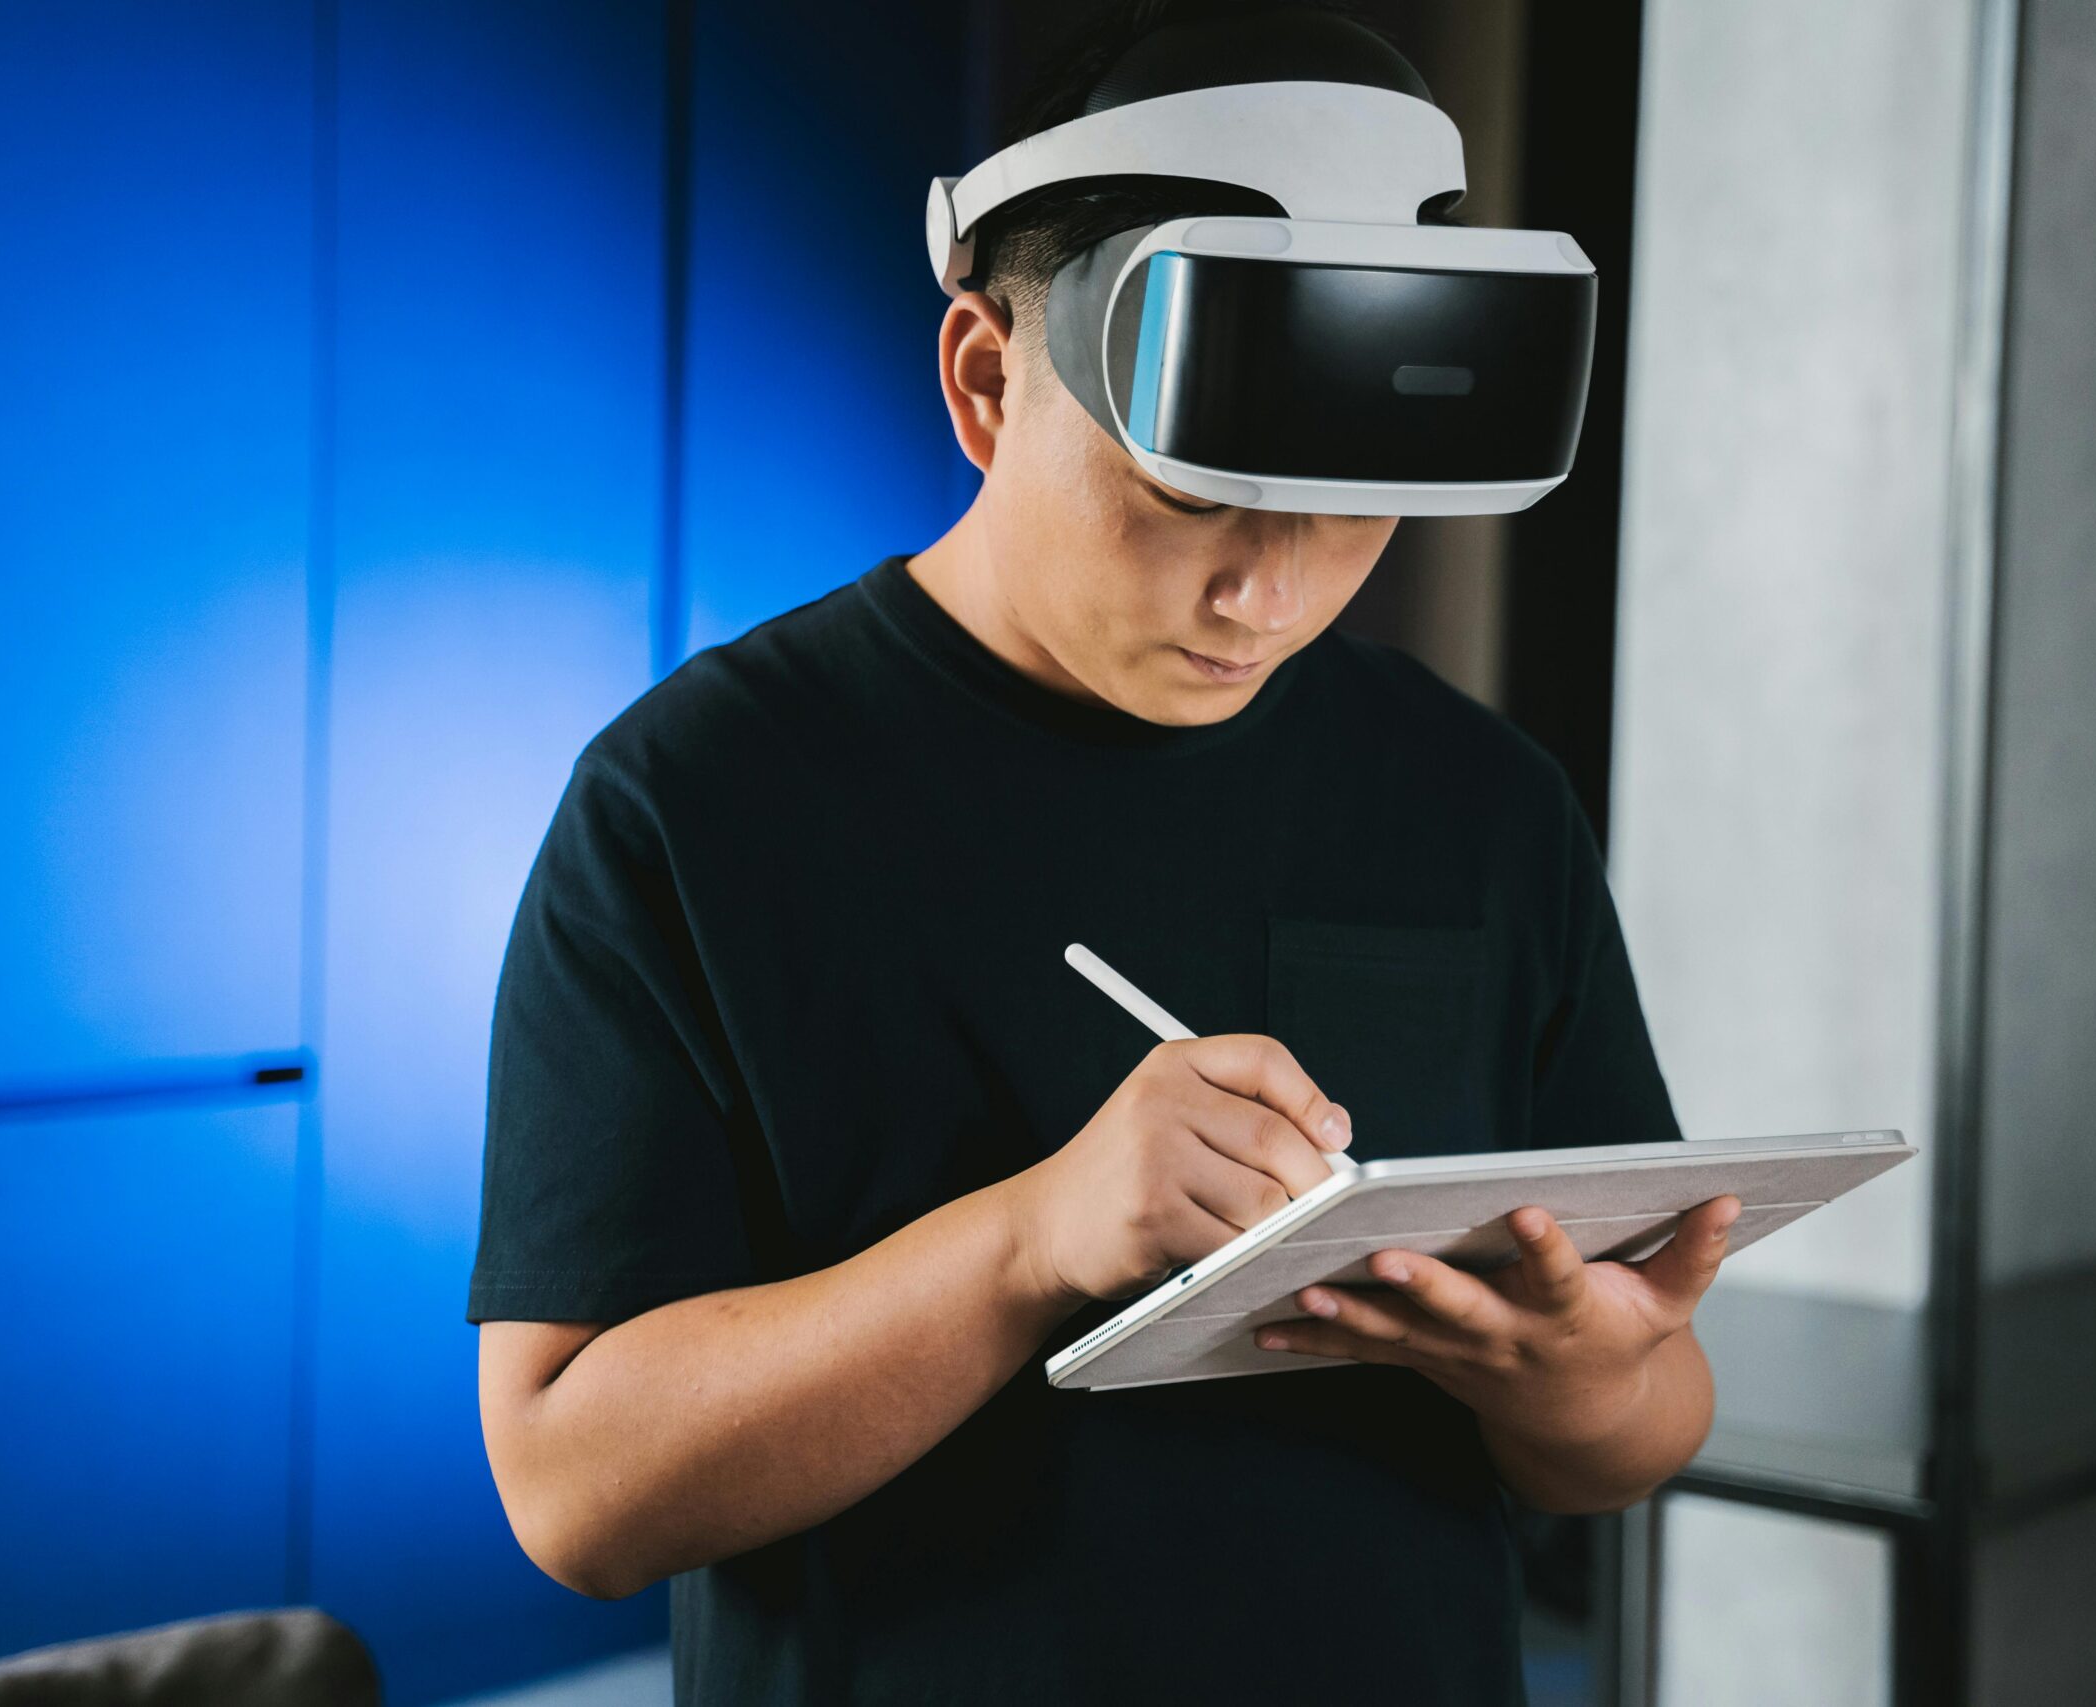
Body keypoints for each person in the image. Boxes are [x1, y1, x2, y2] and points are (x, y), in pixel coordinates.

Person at [470, 5, 1735, 1702]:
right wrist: (1029, 1245)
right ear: (988, 379)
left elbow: (1640, 1424)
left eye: (1346, 507)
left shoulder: (1480, 797)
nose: (1265, 596)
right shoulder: (697, 804)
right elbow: (574, 1491)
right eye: (1193, 500)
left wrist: (1569, 1381)